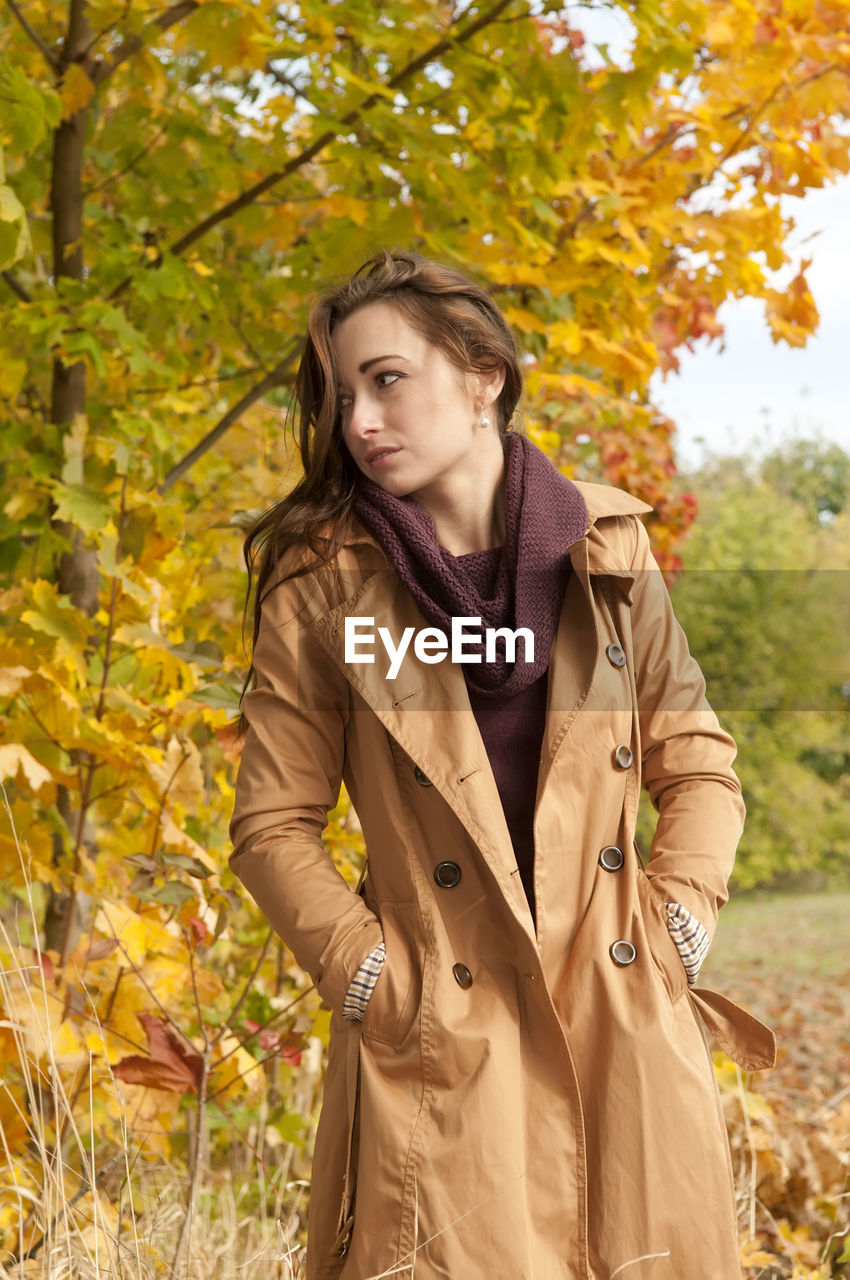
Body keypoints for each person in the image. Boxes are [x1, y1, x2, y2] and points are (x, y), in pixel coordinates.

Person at [228, 251, 775, 1280]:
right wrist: (369, 971)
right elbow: (271, 825)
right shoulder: (323, 582)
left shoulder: (605, 556)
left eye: (386, 379)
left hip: (619, 1021)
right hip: (438, 1033)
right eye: (344, 395)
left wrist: (683, 912)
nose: (358, 421)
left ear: (483, 375)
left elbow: (696, 759)